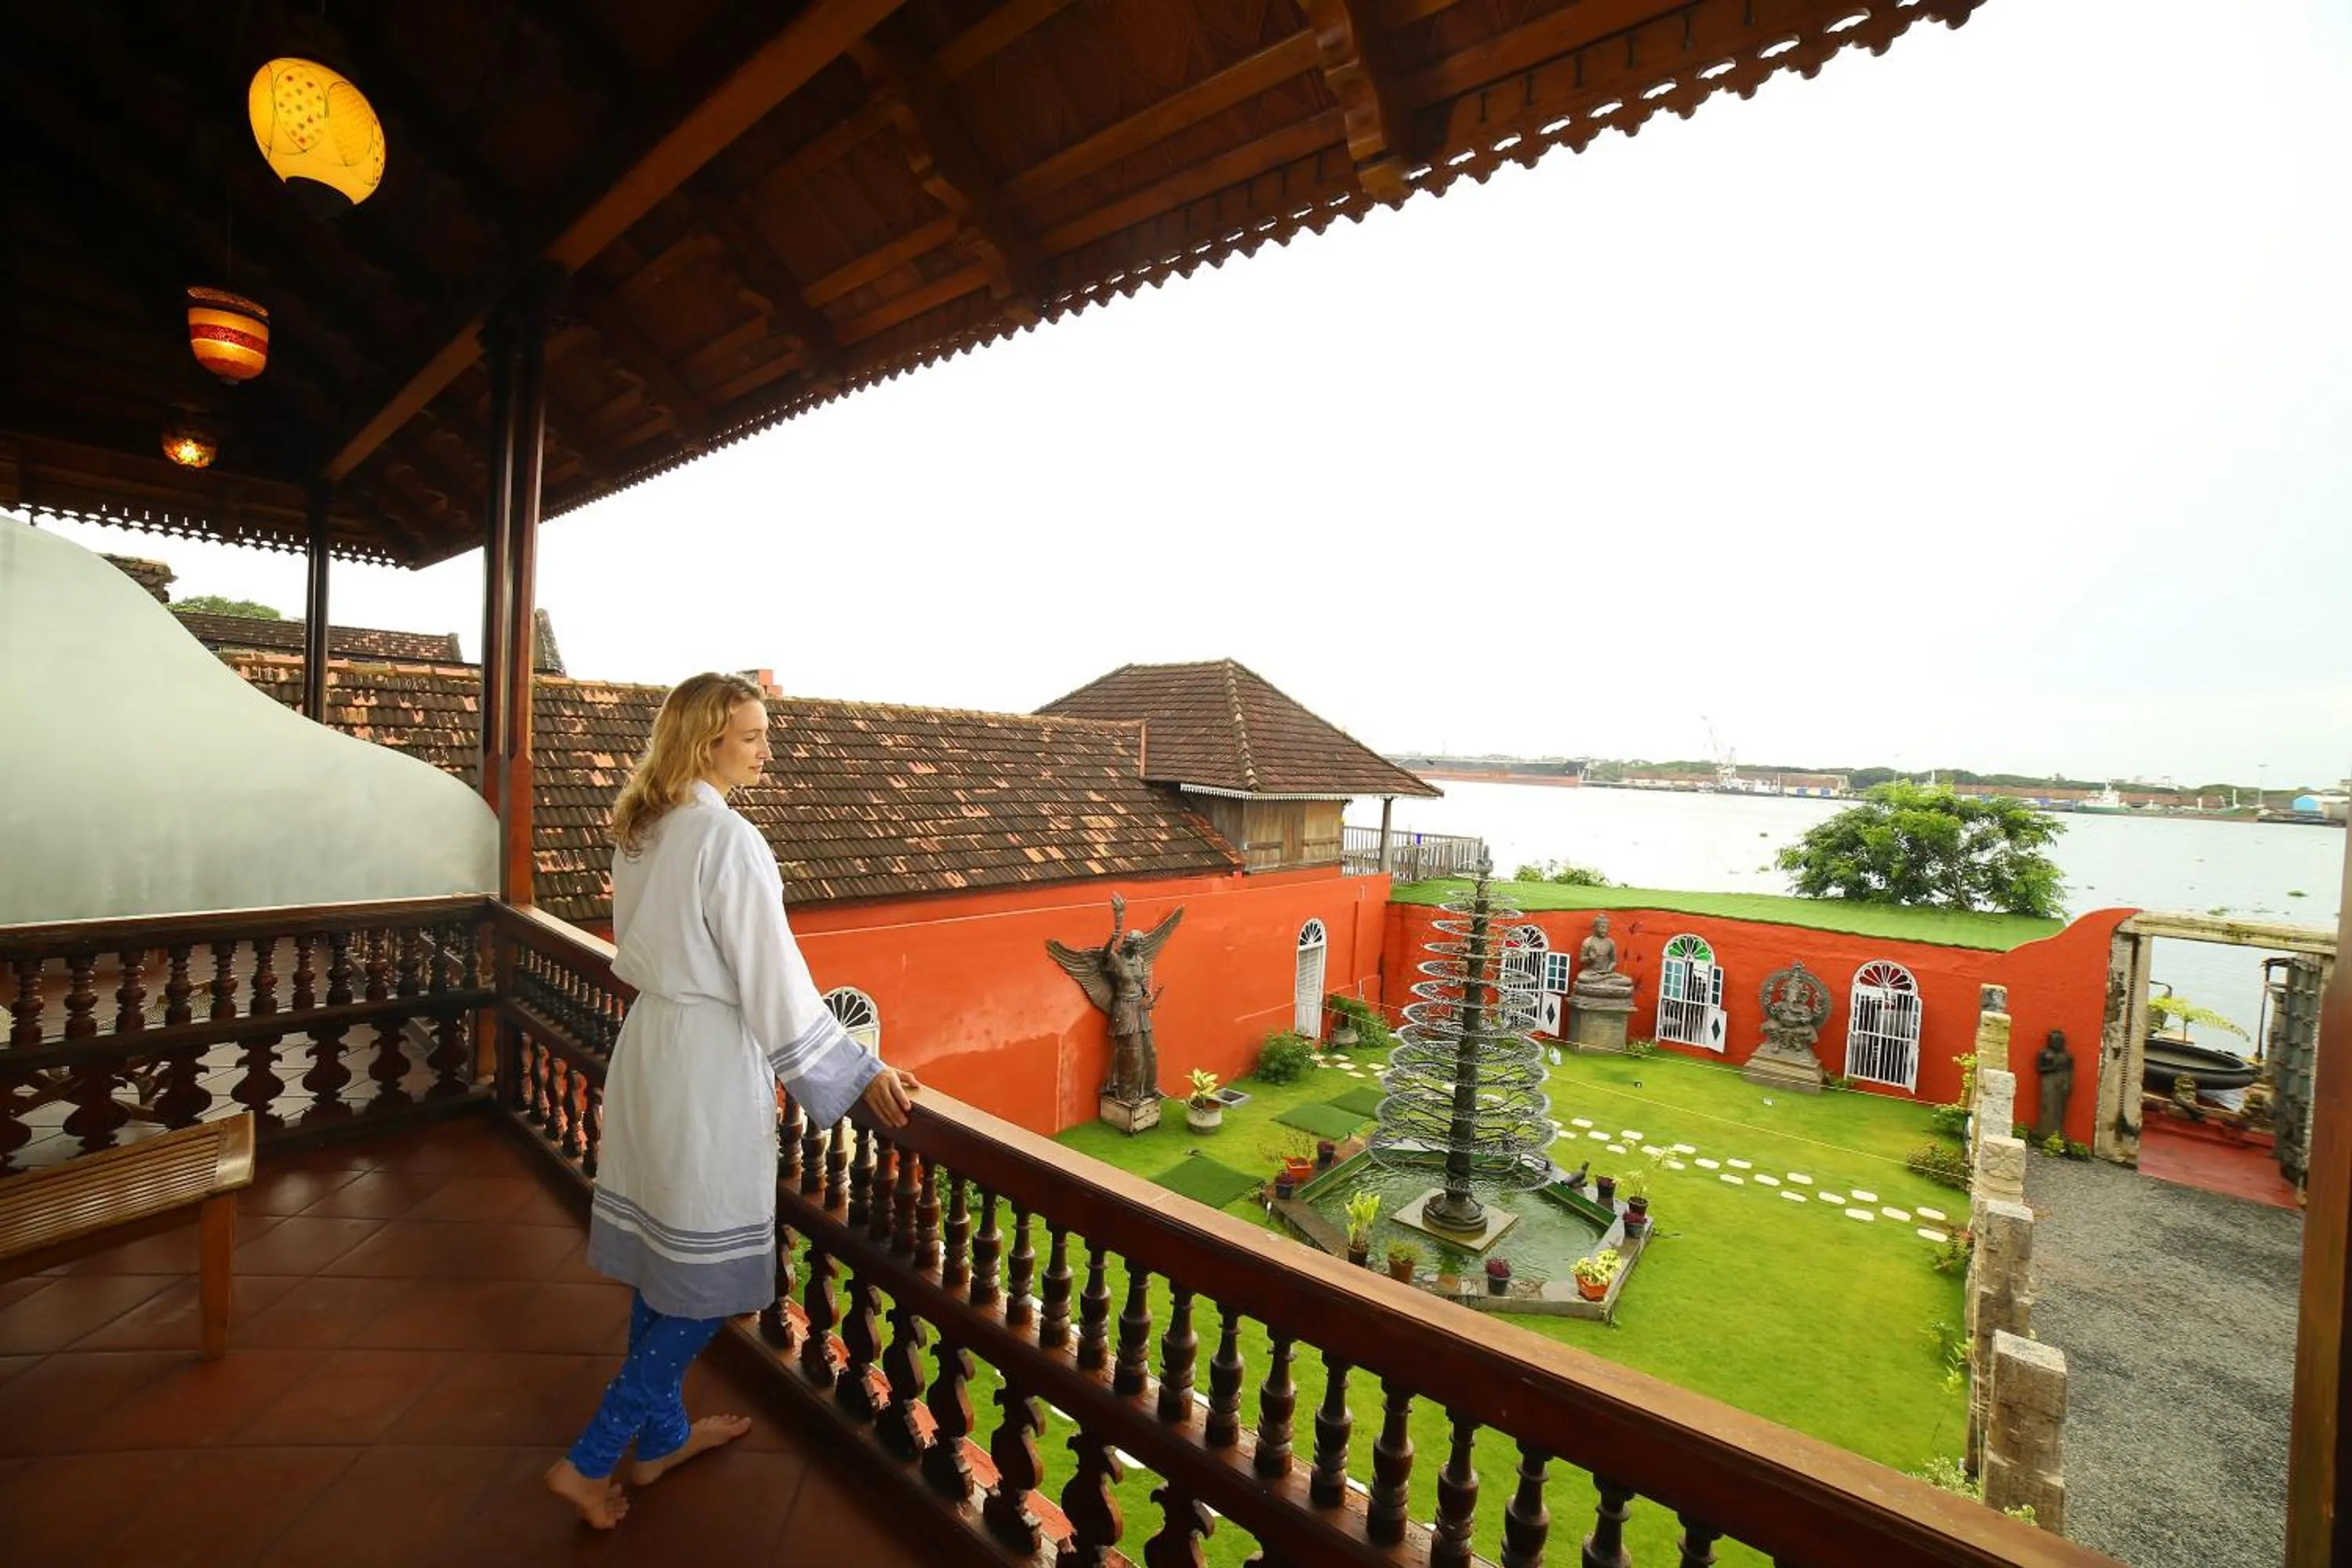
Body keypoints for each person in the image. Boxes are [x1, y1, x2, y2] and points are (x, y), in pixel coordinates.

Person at [545, 673, 920, 1529]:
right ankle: (589, 1457)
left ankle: (659, 1438)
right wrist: (861, 1069)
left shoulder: (643, 825)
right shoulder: (727, 837)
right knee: (711, 1282)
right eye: (751, 735)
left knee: (664, 1254)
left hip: (652, 1047)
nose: (766, 749)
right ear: (709, 738)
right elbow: (774, 978)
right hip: (707, 1062)